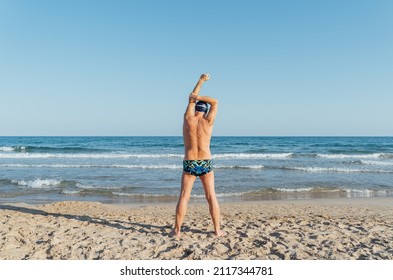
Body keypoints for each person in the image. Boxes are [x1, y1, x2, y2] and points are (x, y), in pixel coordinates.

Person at [172, 74, 226, 238]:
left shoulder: (188, 119)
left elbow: (191, 99)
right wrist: (199, 97)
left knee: (184, 197)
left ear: (195, 109)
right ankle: (217, 230)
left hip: (190, 162)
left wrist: (201, 81)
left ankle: (177, 231)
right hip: (205, 162)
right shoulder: (208, 121)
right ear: (206, 111)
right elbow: (215, 101)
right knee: (211, 197)